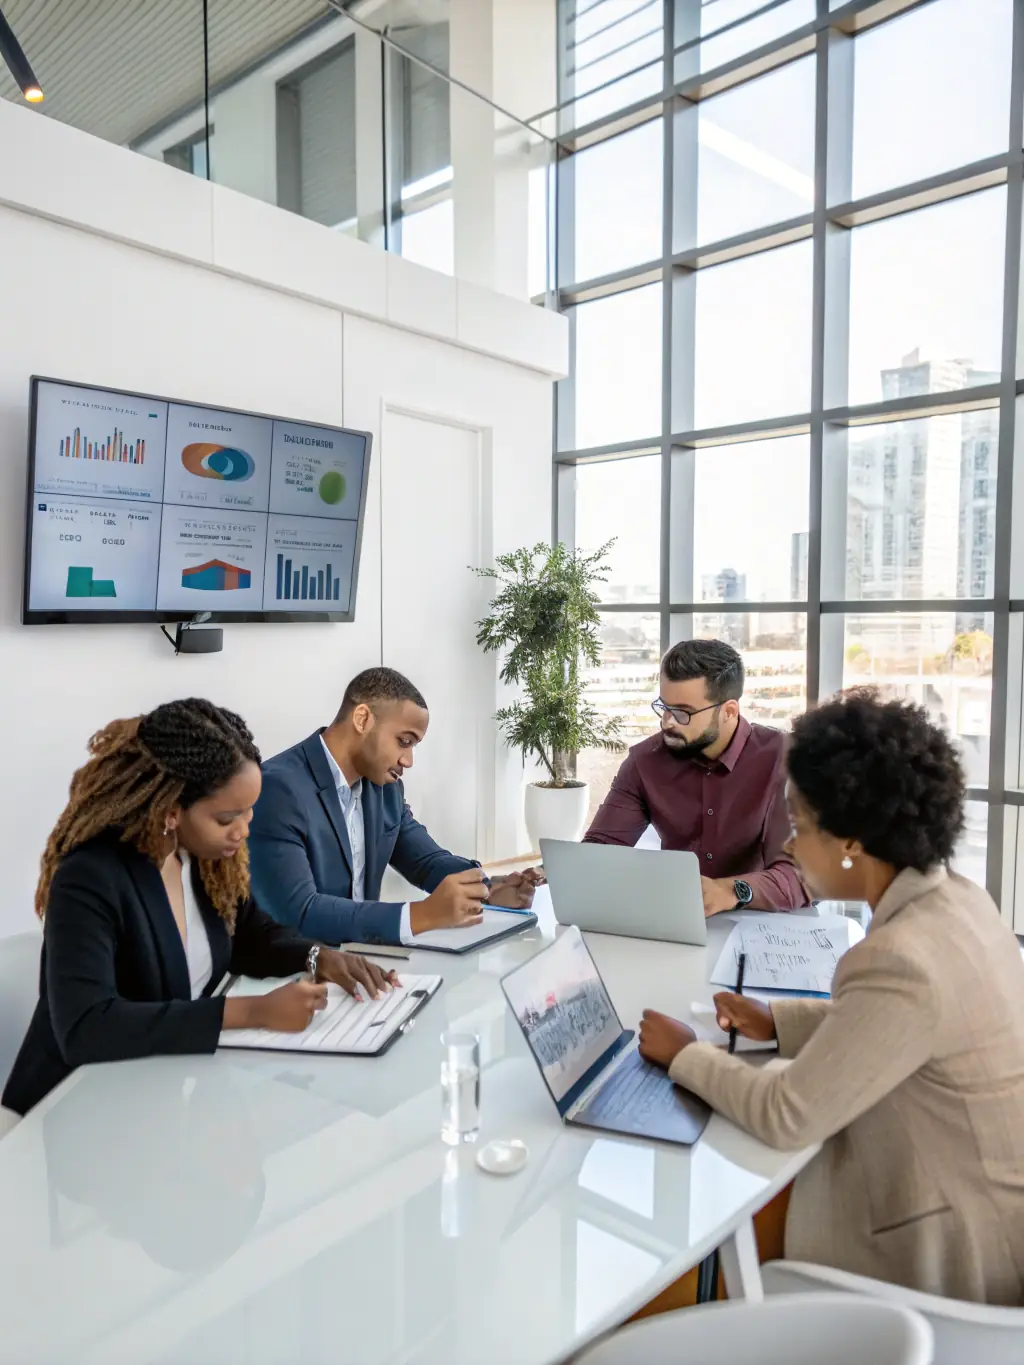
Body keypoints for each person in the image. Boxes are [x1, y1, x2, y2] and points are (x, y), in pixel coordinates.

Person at [638, 691, 1024, 1304]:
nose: (788, 845)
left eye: (802, 826)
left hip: (952, 1254)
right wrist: (779, 1021)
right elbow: (898, 1028)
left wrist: (686, 1054)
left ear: (851, 841)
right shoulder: (960, 900)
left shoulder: (901, 959)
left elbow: (787, 1113)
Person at [2, 699, 395, 1119]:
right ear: (171, 811)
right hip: (73, 1109)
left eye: (249, 811)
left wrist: (318, 956)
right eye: (227, 818)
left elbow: (251, 935)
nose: (243, 830)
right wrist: (251, 1012)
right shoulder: (90, 878)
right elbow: (87, 1027)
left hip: (162, 1095)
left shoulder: (203, 860)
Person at [248, 668, 542, 946]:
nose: (408, 760)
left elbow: (426, 862)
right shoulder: (277, 789)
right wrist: (422, 915)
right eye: (404, 741)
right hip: (294, 976)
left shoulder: (385, 789)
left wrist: (485, 889)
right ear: (362, 719)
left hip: (362, 960)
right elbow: (299, 913)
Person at [585, 639, 806, 915]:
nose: (668, 722)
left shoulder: (783, 759)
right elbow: (600, 853)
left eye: (683, 713)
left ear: (729, 711)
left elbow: (801, 875)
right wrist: (549, 874)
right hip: (675, 918)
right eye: (664, 707)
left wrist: (729, 891)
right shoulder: (644, 762)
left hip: (759, 921)